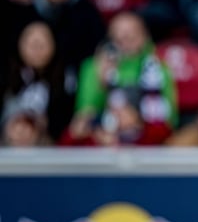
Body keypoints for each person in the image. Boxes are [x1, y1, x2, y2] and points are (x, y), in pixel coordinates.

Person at [64, 11, 177, 146]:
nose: (125, 37)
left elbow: (170, 119)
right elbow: (84, 116)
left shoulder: (158, 67)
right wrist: (101, 83)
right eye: (119, 34)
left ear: (144, 36)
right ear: (110, 37)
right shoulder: (92, 66)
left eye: (131, 33)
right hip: (103, 140)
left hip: (147, 142)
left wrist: (136, 123)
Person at [1, 20, 74, 143]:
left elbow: (64, 123)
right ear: (20, 44)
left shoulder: (64, 80)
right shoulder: (7, 74)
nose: (37, 50)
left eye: (42, 45)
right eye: (32, 44)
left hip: (46, 147)